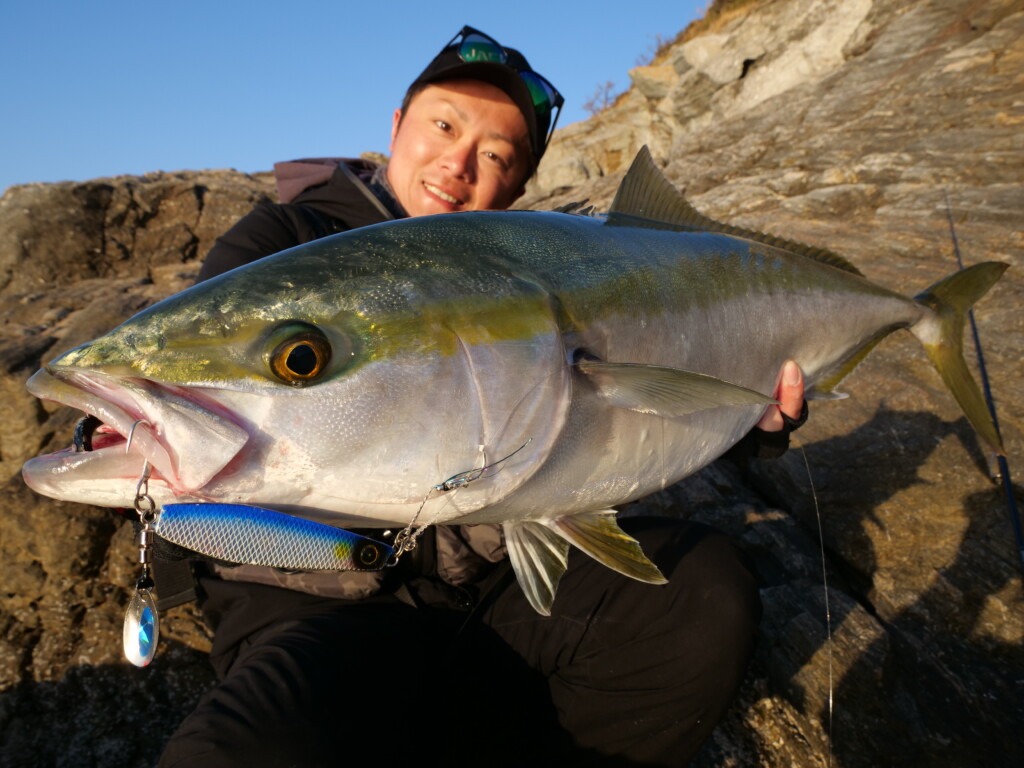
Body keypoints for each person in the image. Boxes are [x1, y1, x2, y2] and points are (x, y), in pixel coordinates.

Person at [159, 26, 806, 767]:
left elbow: (630, 394)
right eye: (443, 125)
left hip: (502, 587)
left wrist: (743, 413)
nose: (458, 163)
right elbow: (198, 383)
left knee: (703, 595)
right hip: (320, 609)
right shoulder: (284, 237)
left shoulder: (537, 260)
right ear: (397, 125)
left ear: (520, 190)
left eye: (497, 155)